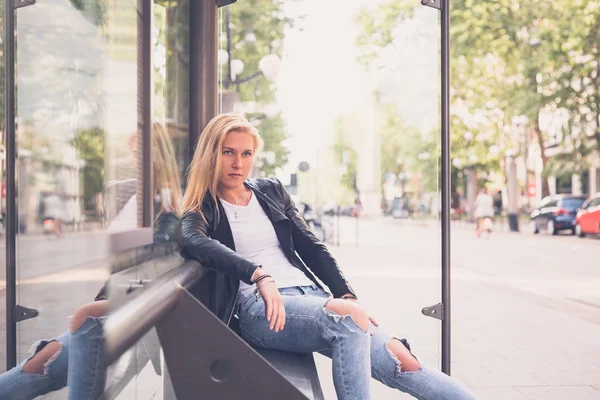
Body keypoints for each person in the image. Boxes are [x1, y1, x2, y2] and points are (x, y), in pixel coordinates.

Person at [180, 113, 479, 400]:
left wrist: (345, 293)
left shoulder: (270, 190)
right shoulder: (203, 206)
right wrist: (258, 274)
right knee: (348, 322)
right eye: (228, 152)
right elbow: (194, 241)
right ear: (211, 154)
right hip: (261, 308)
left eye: (246, 154)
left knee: (404, 363)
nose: (238, 163)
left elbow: (311, 246)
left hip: (311, 296)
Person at [0, 121, 182, 400]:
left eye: (139, 154)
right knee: (41, 363)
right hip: (121, 299)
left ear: (157, 156)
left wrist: (96, 306)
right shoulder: (139, 198)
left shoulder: (169, 203)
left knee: (59, 348)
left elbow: (157, 256)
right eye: (133, 154)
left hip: (135, 305)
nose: (134, 162)